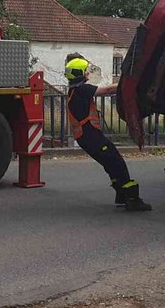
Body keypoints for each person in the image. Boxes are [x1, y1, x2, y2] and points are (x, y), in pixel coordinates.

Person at [65, 54, 151, 212]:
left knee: (110, 164)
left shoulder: (73, 91)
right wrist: (130, 84)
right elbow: (107, 90)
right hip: (92, 137)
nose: (88, 74)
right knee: (117, 163)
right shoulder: (81, 89)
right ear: (79, 73)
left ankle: (121, 195)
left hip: (86, 138)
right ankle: (132, 199)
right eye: (86, 71)